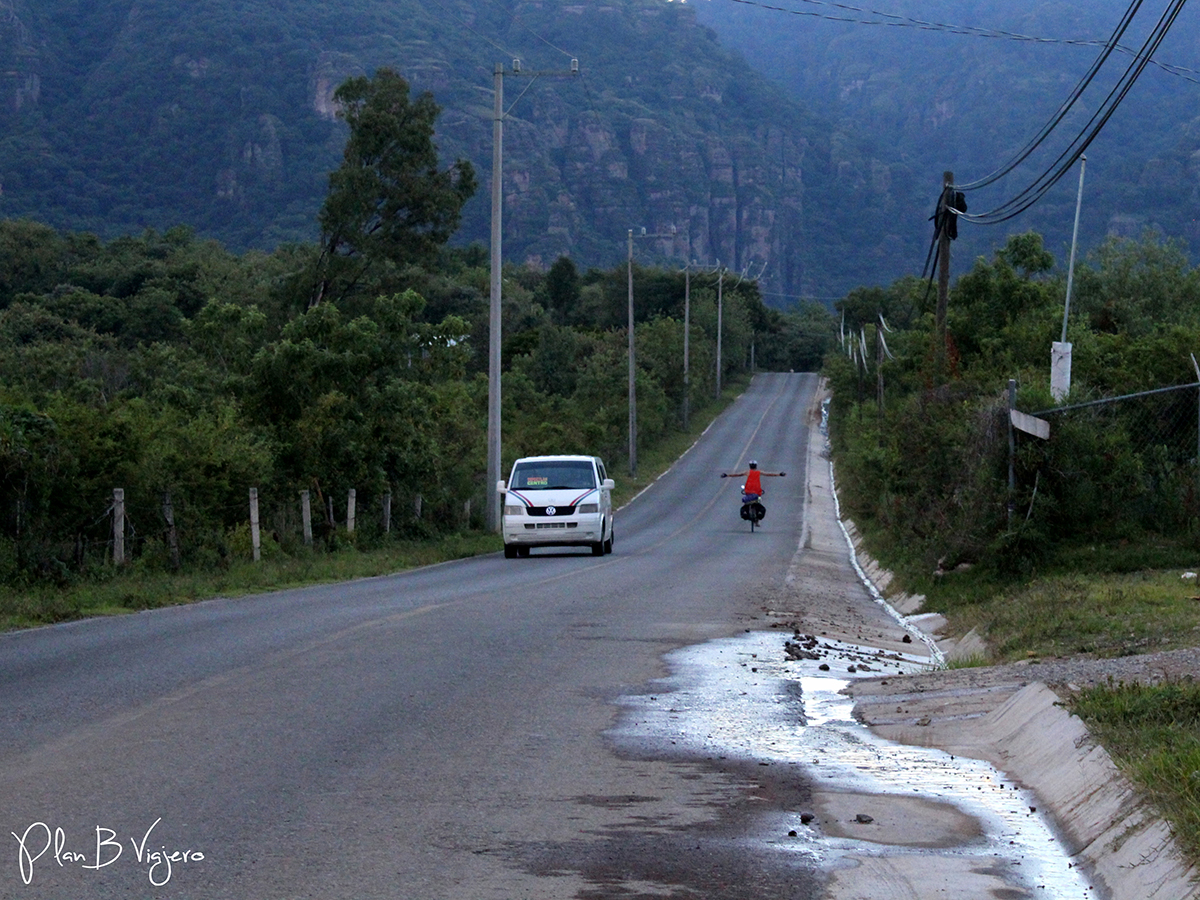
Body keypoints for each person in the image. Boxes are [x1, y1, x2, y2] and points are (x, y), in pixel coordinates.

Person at [720, 460, 785, 502]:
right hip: (757, 491)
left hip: (748, 491)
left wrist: (727, 475)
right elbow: (769, 474)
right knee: (759, 500)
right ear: (756, 466)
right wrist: (779, 474)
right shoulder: (759, 472)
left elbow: (737, 475)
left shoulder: (747, 472)